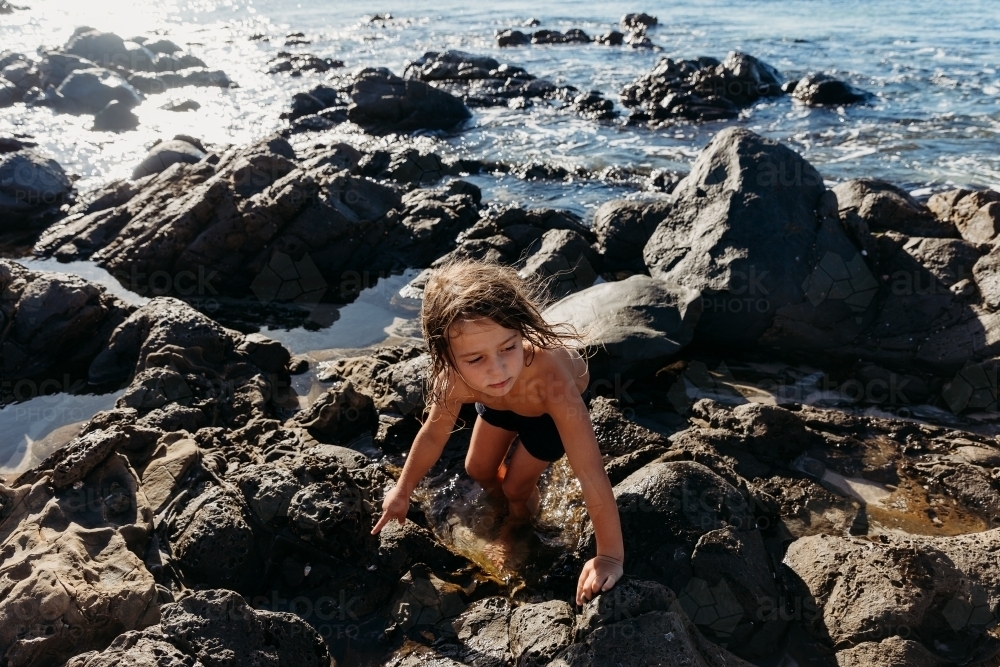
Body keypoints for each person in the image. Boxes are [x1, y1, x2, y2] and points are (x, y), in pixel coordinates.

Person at [370, 258, 624, 607]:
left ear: (520, 332)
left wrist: (609, 556)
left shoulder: (550, 378)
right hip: (499, 405)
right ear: (446, 356)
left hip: (545, 413)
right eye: (476, 359)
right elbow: (432, 435)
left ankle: (518, 524)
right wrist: (402, 490)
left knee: (515, 486)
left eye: (509, 347)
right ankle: (507, 502)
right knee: (477, 470)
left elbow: (590, 470)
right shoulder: (454, 379)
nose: (498, 368)